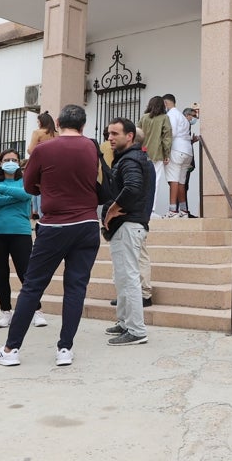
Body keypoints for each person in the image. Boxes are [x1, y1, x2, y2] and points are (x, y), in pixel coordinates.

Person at [0, 104, 101, 367]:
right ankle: (65, 349)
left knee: (33, 286)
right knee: (75, 287)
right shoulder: (91, 147)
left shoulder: (43, 149)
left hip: (55, 225)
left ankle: (11, 348)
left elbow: (29, 186)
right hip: (86, 224)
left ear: (58, 123)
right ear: (83, 125)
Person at [102, 117, 155, 346]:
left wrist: (112, 210)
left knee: (129, 277)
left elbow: (132, 188)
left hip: (128, 225)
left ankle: (136, 330)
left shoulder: (130, 160)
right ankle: (125, 323)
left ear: (130, 136)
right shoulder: (132, 158)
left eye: (115, 134)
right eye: (109, 134)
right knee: (122, 277)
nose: (110, 138)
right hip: (129, 225)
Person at [0, 148, 46, 329]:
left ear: (19, 163)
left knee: (25, 273)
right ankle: (6, 312)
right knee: (0, 274)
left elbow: (26, 194)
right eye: (7, 159)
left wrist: (0, 190)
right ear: (0, 163)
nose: (11, 162)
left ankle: (36, 311)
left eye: (15, 159)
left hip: (20, 232)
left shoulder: (24, 180)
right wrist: (13, 197)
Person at [137, 95, 172, 217]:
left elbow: (137, 135)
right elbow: (167, 137)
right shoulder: (164, 118)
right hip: (157, 154)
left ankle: (139, 208)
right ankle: (151, 209)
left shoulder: (144, 118)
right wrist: (167, 154)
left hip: (143, 153)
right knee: (155, 181)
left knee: (141, 181)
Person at [162, 94, 193, 218]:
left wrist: (165, 151)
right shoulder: (182, 116)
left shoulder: (171, 115)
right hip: (187, 151)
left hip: (176, 150)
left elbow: (171, 133)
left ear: (165, 103)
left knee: (173, 180)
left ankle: (172, 210)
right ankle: (183, 211)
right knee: (181, 182)